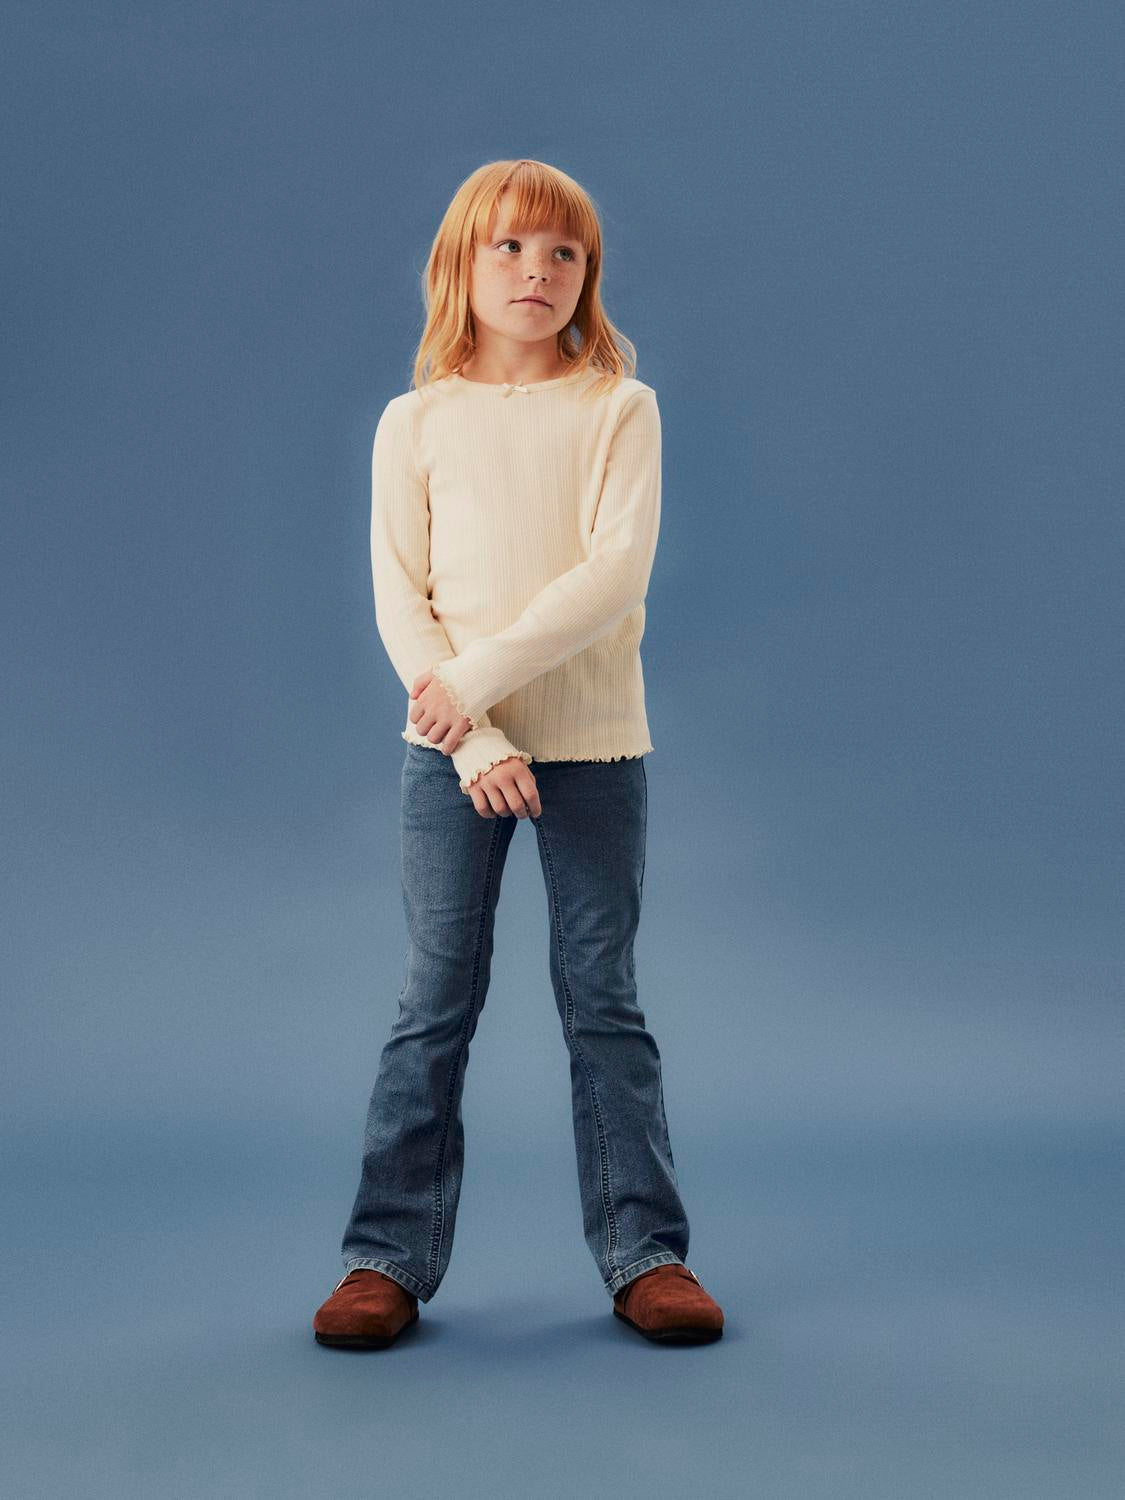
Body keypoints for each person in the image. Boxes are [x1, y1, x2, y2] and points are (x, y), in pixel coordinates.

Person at [313, 158, 724, 1348]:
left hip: (596, 749)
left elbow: (611, 579)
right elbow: (402, 601)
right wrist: (476, 734)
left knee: (604, 1002)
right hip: (453, 756)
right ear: (461, 264)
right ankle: (384, 1258)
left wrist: (475, 690)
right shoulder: (415, 423)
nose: (535, 272)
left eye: (563, 254)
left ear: (588, 275)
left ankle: (646, 1253)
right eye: (509, 247)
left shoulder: (618, 409)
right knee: (433, 999)